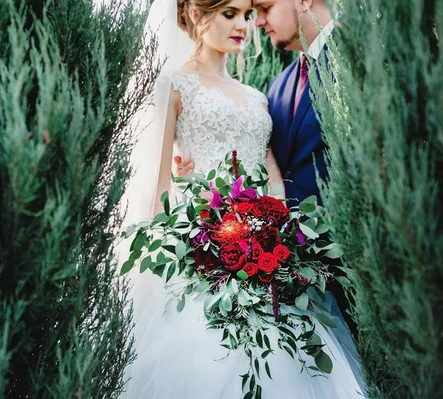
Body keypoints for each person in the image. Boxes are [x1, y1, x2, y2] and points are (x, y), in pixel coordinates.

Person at [119, 0, 364, 397]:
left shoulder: (258, 95)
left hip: (268, 257)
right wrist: (190, 239)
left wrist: (279, 234)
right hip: (203, 259)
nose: (245, 25)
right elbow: (160, 187)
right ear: (197, 15)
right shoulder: (173, 85)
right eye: (230, 14)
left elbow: (271, 175)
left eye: (247, 15)